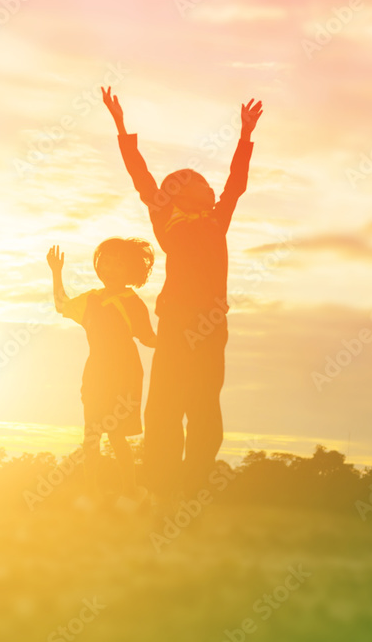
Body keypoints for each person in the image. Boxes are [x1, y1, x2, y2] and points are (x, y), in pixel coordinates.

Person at [101, 86, 263, 502]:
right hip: (176, 321)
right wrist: (121, 126)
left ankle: (194, 487)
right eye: (200, 184)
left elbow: (236, 184)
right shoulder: (165, 218)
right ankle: (160, 486)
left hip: (211, 325)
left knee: (204, 407)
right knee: (164, 407)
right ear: (182, 193)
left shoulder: (216, 219)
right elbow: (141, 177)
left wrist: (245, 137)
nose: (211, 189)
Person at [47, 239, 157, 507]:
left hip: (125, 374)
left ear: (131, 270)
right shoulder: (91, 299)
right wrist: (56, 271)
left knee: (117, 435)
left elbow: (149, 338)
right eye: (106, 262)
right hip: (96, 372)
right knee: (91, 434)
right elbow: (62, 305)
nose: (110, 268)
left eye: (119, 264)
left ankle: (129, 492)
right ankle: (91, 493)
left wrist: (180, 336)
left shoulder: (134, 303)